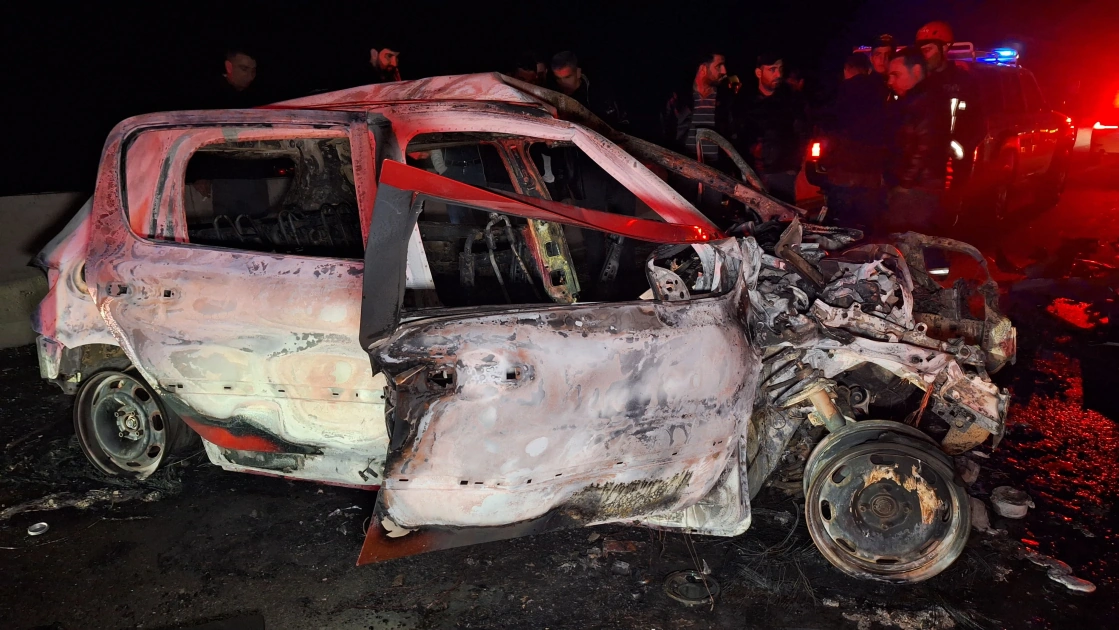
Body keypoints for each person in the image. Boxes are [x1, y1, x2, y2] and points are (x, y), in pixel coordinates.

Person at [883, 47, 950, 234]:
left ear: (917, 71)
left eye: (896, 75)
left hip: (917, 190)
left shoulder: (927, 103)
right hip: (914, 186)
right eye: (889, 76)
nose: (890, 81)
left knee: (908, 241)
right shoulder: (911, 101)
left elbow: (925, 148)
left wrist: (904, 182)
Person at [818, 53, 888, 231]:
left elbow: (828, 128)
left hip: (843, 171)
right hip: (872, 173)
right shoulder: (882, 91)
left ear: (846, 69)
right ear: (868, 70)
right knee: (868, 226)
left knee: (841, 226)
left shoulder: (840, 91)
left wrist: (826, 161)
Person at [735, 52, 807, 204]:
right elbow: (737, 135)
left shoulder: (790, 101)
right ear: (759, 72)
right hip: (752, 173)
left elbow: (802, 132)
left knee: (783, 211)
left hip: (782, 170)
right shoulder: (744, 102)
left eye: (780, 69)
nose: (778, 74)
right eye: (772, 69)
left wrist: (794, 165)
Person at [663, 51, 732, 167]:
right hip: (684, 168)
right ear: (703, 68)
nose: (724, 71)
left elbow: (732, 135)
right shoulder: (680, 99)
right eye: (718, 66)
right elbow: (667, 132)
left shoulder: (725, 100)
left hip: (717, 171)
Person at [549, 51, 628, 127]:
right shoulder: (554, 93)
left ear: (578, 72)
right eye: (558, 78)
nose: (562, 82)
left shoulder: (599, 93)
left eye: (567, 77)